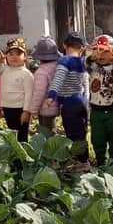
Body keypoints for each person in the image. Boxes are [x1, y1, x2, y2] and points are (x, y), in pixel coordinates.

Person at [48, 32, 90, 165]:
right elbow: (86, 83)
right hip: (82, 101)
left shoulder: (65, 61)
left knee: (72, 133)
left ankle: (79, 162)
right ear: (82, 48)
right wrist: (86, 102)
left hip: (69, 103)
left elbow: (58, 79)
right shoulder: (83, 62)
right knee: (82, 132)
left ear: (64, 45)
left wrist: (51, 95)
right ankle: (84, 159)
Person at [86, 34, 113, 164]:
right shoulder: (93, 67)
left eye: (105, 51)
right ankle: (100, 160)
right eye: (97, 50)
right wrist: (92, 55)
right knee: (97, 138)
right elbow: (85, 61)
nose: (101, 55)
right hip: (96, 110)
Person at [0, 38, 34, 143]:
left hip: (21, 109)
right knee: (12, 133)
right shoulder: (4, 69)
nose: (14, 57)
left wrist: (26, 111)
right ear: (6, 56)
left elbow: (29, 94)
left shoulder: (26, 74)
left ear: (25, 57)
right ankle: (14, 152)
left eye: (18, 54)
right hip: (7, 107)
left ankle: (23, 152)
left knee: (22, 135)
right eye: (11, 54)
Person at [26, 37, 60, 135]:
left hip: (45, 108)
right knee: (52, 130)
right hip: (57, 105)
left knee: (46, 134)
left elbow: (39, 93)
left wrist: (33, 110)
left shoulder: (41, 72)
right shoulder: (58, 67)